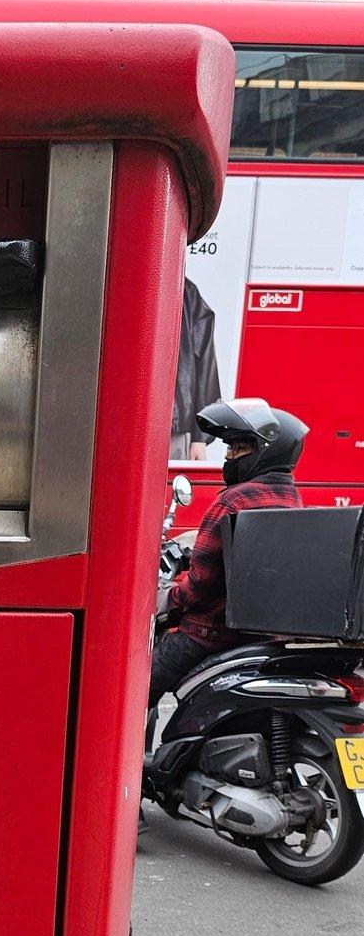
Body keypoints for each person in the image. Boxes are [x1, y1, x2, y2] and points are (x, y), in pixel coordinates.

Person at [149, 398, 308, 711]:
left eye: (238, 449)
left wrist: (170, 596)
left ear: (266, 450)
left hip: (209, 635)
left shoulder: (233, 501)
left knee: (132, 694)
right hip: (262, 636)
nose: (229, 457)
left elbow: (199, 587)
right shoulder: (292, 499)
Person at [170, 278, 221, 462]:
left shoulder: (187, 291)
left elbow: (204, 364)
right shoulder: (185, 290)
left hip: (174, 428)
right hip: (171, 426)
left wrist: (201, 436)